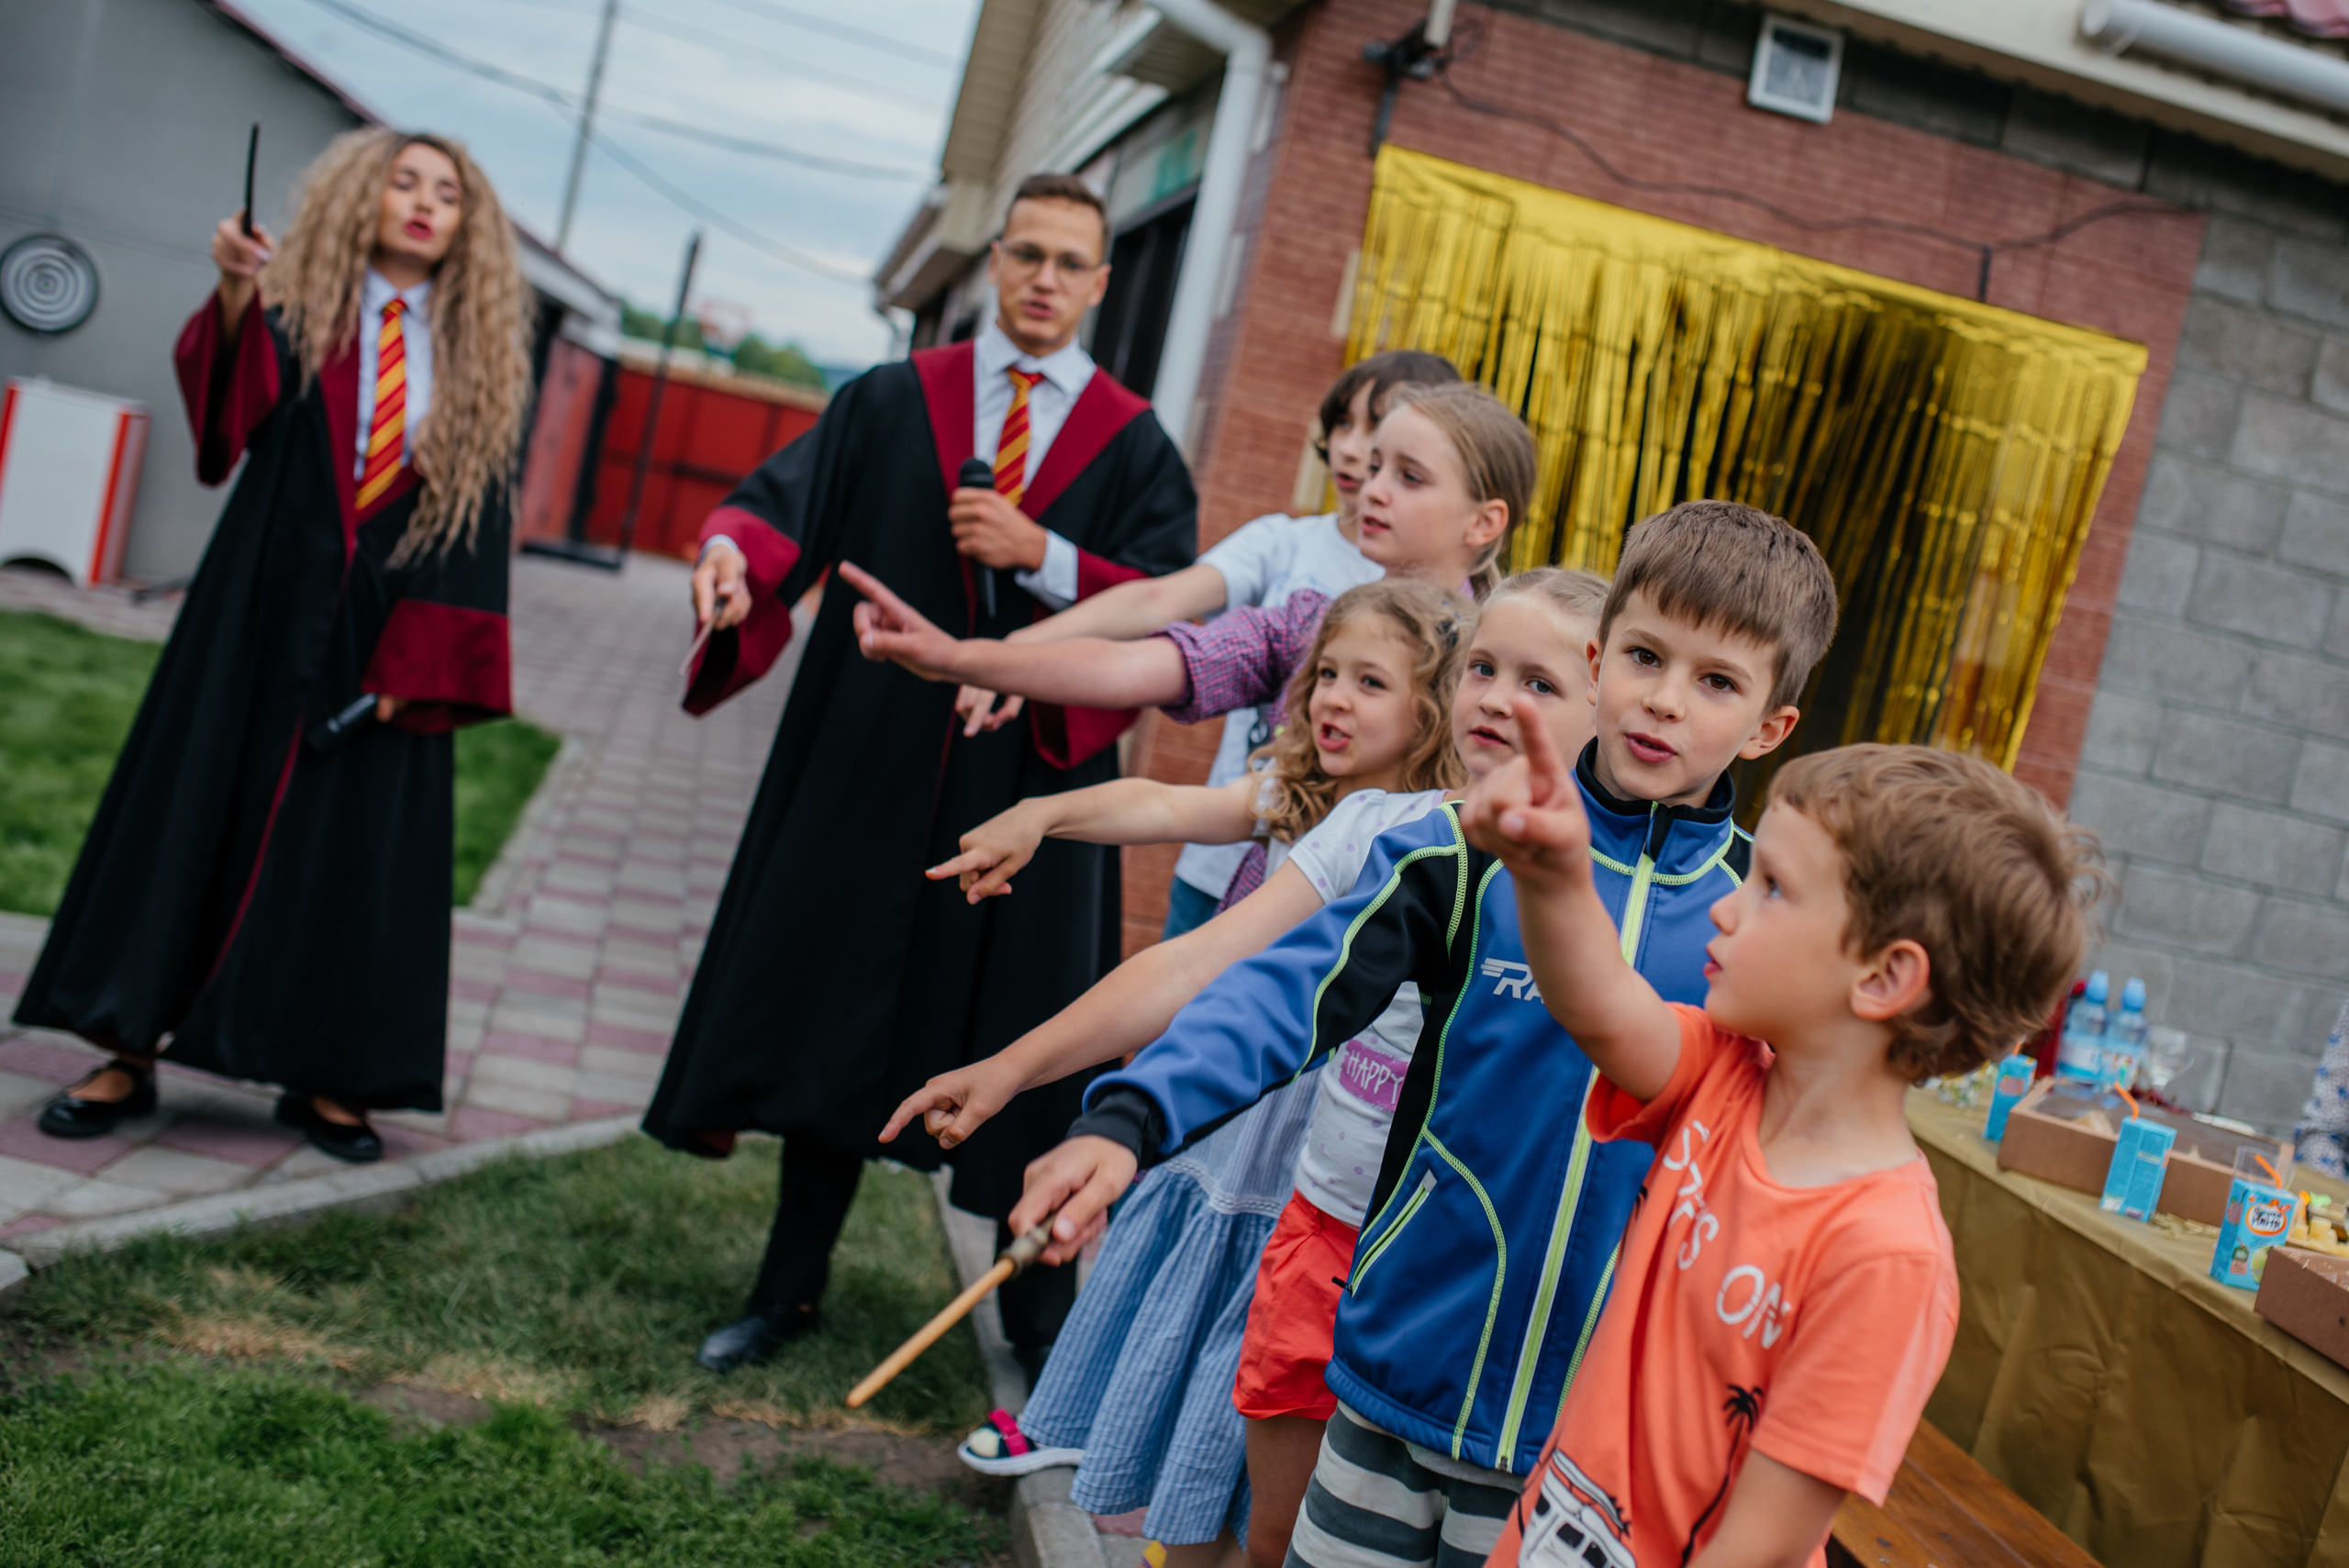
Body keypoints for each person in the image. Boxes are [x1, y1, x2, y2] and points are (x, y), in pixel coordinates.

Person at [1003, 501, 1841, 1568]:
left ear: (1769, 725)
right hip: (1395, 1375)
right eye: (1645, 656)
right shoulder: (1461, 849)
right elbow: (1286, 992)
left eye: (1716, 681)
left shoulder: (1759, 913)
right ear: (1598, 662)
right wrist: (1130, 1117)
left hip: (1591, 1437)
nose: (1666, 700)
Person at [895, 568, 1608, 1568]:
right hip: (1316, 1233)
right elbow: (1196, 966)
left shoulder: (1610, 900)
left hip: (1461, 1284)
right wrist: (1015, 1068)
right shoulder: (1374, 829)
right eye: (1483, 668)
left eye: (1539, 683)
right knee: (1262, 1532)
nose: (1496, 699)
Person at [648, 172, 1197, 1377]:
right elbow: (778, 511)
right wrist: (732, 558)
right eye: (1027, 254)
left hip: (1033, 790)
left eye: (1071, 263)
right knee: (836, 1012)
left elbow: (1172, 616)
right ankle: (787, 1288)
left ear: (1102, 284)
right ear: (995, 261)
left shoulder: (1135, 443)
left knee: (1032, 1041)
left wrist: (1041, 552)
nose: (1045, 279)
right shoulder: (898, 399)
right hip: (875, 760)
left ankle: (1036, 1325)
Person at [17, 129, 530, 1162]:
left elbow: (477, 522)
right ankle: (125, 1045)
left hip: (387, 637)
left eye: (448, 194)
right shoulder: (301, 314)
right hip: (257, 611)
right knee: (193, 813)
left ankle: (330, 1075)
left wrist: (425, 665)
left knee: (356, 855)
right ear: (360, 196)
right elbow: (229, 426)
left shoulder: (479, 365)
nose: (425, 203)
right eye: (403, 181)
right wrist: (233, 292)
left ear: (467, 228)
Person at [1466, 732, 2094, 1568]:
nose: (1725, 907)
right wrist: (1553, 873)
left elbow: (1760, 1548)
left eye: (1771, 887)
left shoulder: (1888, 1257)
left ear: (1883, 977)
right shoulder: (1721, 1075)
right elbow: (1603, 1008)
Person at [951, 350, 1461, 940]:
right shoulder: (1287, 549)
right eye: (1344, 423)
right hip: (1231, 843)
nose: (1350, 448)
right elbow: (1156, 609)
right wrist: (1015, 655)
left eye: (1380, 431)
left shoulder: (1461, 637)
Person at [841, 379, 1523, 740]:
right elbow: (1140, 659)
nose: (1370, 487)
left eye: (1409, 476)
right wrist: (963, 656)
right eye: (1374, 464)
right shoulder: (1308, 618)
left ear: (1484, 521)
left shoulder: (1504, 664)